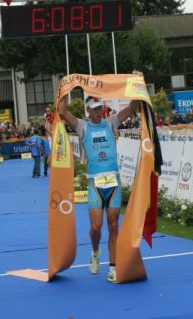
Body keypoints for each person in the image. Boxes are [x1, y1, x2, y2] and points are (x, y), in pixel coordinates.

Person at [59, 94, 139, 283]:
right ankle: (95, 251)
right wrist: (63, 89)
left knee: (113, 225)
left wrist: (136, 84)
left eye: (100, 108)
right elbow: (62, 112)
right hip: (95, 182)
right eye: (94, 109)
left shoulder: (111, 122)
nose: (98, 112)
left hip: (113, 182)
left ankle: (113, 267)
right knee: (96, 227)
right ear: (88, 110)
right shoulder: (82, 126)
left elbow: (132, 107)